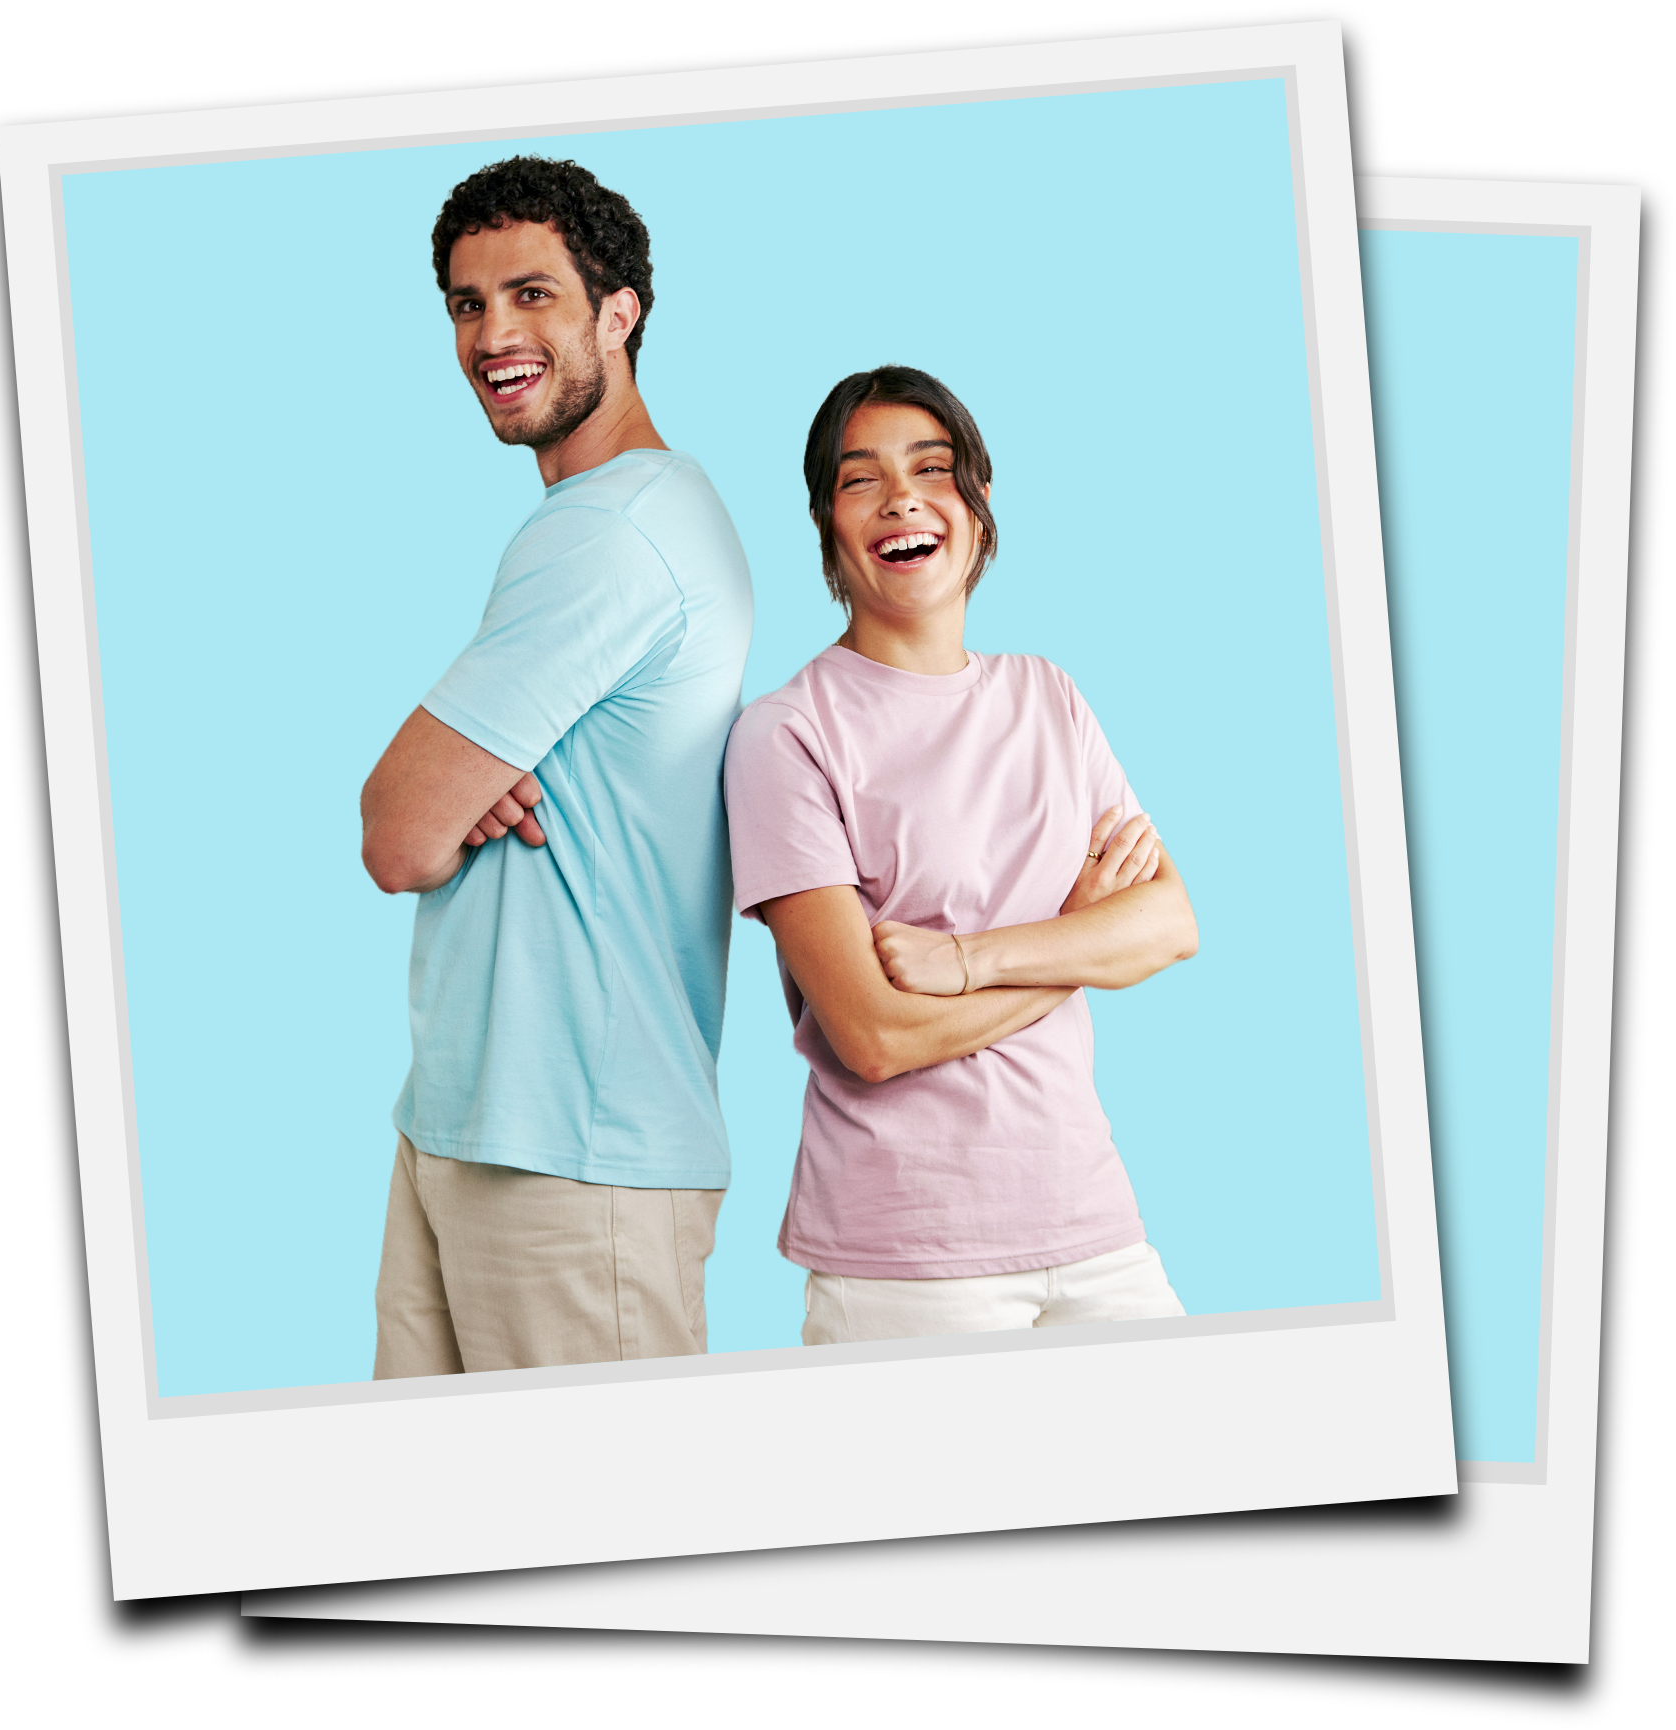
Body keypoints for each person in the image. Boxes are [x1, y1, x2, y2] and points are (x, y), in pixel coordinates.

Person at [360, 156, 753, 1374]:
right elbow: (429, 810)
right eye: (466, 304)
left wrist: (454, 787)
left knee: (592, 1502)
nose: (492, 336)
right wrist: (466, 782)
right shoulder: (593, 521)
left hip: (578, 1155)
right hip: (465, 1125)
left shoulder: (614, 527)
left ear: (617, 314)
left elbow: (398, 832)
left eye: (531, 294)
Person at [723, 366, 1197, 1345]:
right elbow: (873, 1035)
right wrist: (1077, 941)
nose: (900, 497)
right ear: (825, 527)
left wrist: (965, 959)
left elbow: (1167, 922)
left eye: (931, 468)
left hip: (1094, 1222)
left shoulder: (1048, 695)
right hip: (907, 1256)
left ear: (977, 504)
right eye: (860, 479)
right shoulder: (786, 735)